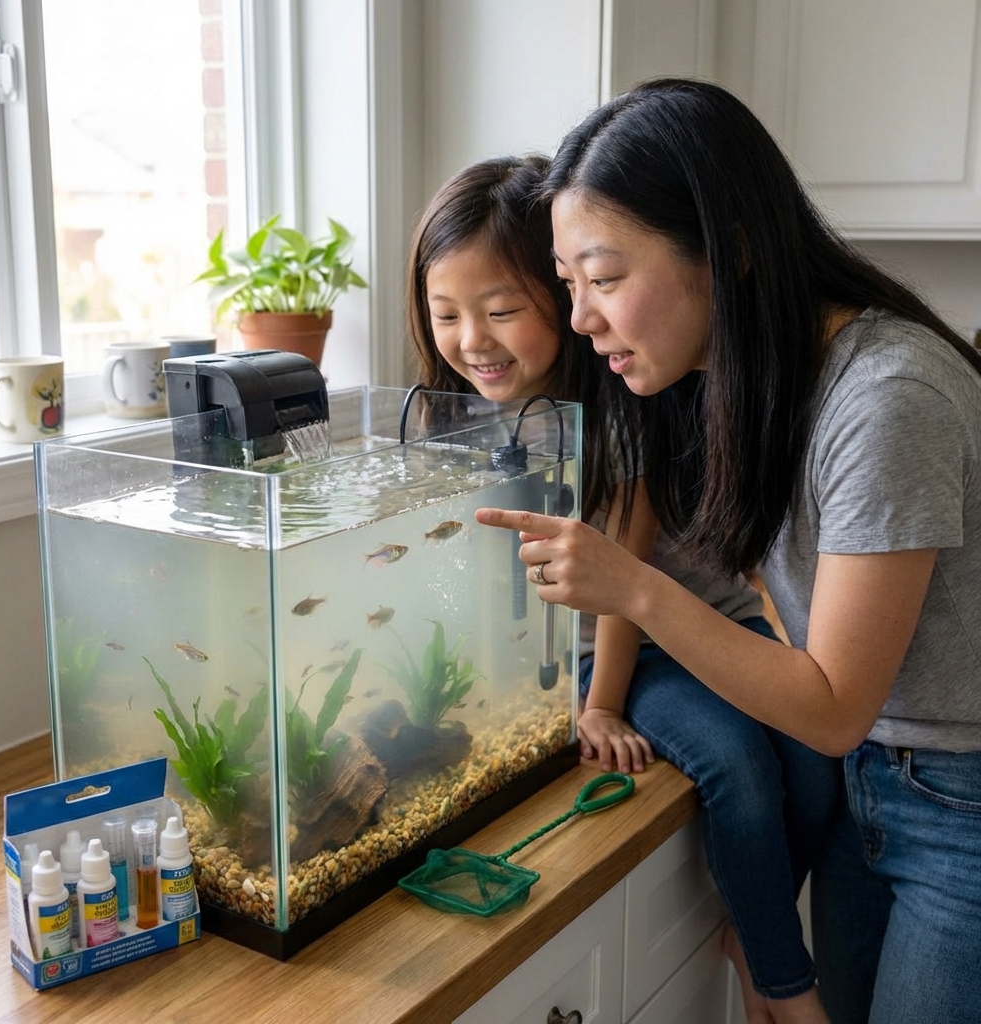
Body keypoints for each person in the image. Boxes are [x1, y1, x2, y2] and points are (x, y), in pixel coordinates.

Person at [476, 79, 981, 1024]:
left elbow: (827, 707)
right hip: (875, 780)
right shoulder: (747, 379)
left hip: (958, 803)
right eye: (568, 282)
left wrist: (633, 587)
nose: (582, 318)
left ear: (733, 253)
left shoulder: (887, 398)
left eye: (606, 277)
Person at [408, 155, 841, 1024]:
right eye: (446, 314)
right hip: (597, 660)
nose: (473, 341)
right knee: (737, 766)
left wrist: (601, 706)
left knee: (819, 758)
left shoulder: (620, 410)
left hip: (649, 635)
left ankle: (754, 936)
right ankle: (781, 984)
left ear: (567, 301)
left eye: (501, 312)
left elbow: (624, 582)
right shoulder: (443, 420)